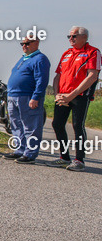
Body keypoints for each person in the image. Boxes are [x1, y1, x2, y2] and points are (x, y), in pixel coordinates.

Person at [48, 26, 100, 171]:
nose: (71, 39)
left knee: (78, 126)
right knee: (57, 124)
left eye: (74, 36)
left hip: (80, 96)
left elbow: (92, 76)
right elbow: (58, 75)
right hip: (62, 96)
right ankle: (64, 158)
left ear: (84, 37)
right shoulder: (67, 53)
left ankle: (79, 160)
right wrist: (57, 93)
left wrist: (73, 94)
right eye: (69, 36)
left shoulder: (93, 52)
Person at [4, 36, 51, 164]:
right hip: (13, 96)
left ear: (36, 43)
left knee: (31, 126)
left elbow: (41, 80)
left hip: (27, 97)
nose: (24, 46)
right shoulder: (23, 58)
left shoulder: (40, 59)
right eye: (22, 43)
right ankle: (20, 150)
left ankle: (30, 154)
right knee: (16, 125)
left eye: (27, 43)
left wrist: (36, 97)